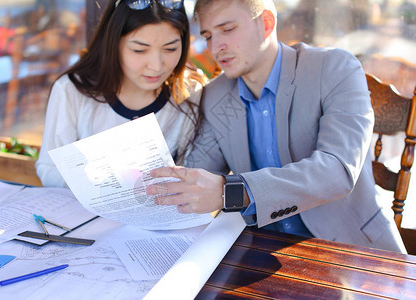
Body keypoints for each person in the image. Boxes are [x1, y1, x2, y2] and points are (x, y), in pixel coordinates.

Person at [145, 0, 407, 253]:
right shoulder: (216, 96)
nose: (217, 46)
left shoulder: (335, 68)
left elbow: (337, 170)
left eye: (228, 29)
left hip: (355, 251)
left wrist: (234, 192)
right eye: (209, 35)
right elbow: (197, 175)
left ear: (267, 23)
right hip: (265, 253)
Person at [36, 0, 204, 187]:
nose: (156, 66)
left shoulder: (189, 93)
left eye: (170, 49)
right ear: (113, 43)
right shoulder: (72, 90)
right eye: (139, 50)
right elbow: (49, 169)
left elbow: (191, 175)